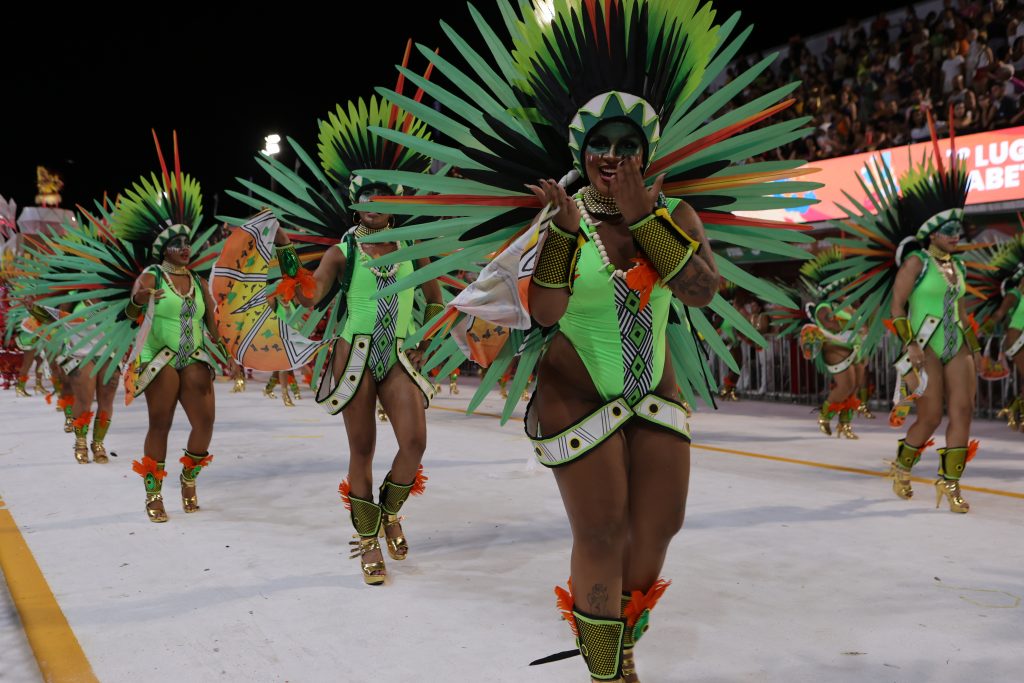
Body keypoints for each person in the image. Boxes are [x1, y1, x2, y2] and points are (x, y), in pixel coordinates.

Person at [356, 2, 818, 678]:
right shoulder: (560, 222)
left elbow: (698, 289)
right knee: (601, 529)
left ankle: (618, 633)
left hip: (653, 387)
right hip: (573, 392)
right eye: (600, 145)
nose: (611, 157)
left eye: (626, 145)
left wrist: (642, 215)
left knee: (659, 528)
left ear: (646, 151)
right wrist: (567, 235)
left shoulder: (677, 214)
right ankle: (608, 668)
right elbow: (543, 315)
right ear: (581, 151)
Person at [215, 56, 441, 585]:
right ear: (355, 204)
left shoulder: (415, 249)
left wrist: (428, 341)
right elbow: (313, 298)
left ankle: (388, 513)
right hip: (353, 353)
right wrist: (290, 258)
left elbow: (433, 302)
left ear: (394, 202)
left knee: (414, 443)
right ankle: (367, 542)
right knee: (361, 448)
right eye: (365, 199)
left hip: (398, 355)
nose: (373, 207)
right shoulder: (346, 251)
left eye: (381, 199)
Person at [824, 114, 980, 513]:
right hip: (924, 344)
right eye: (949, 230)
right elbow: (896, 307)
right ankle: (903, 466)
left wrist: (976, 350)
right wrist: (908, 344)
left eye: (959, 230)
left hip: (956, 345)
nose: (956, 236)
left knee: (963, 411)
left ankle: (950, 483)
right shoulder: (916, 262)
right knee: (928, 418)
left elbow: (962, 312)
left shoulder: (957, 268)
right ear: (932, 232)